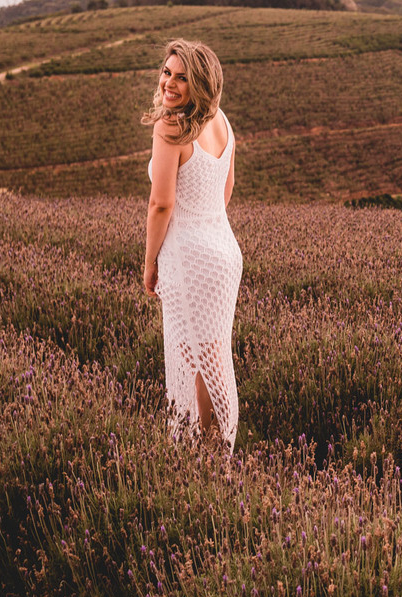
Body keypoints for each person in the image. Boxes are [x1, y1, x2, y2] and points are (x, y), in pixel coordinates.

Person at [142, 40, 242, 454]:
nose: (170, 82)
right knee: (212, 357)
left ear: (199, 83)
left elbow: (161, 203)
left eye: (182, 77)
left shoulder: (171, 127)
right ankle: (214, 448)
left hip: (188, 258)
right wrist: (208, 226)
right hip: (224, 251)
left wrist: (150, 264)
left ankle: (203, 451)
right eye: (167, 72)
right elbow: (227, 186)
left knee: (193, 358)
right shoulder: (221, 121)